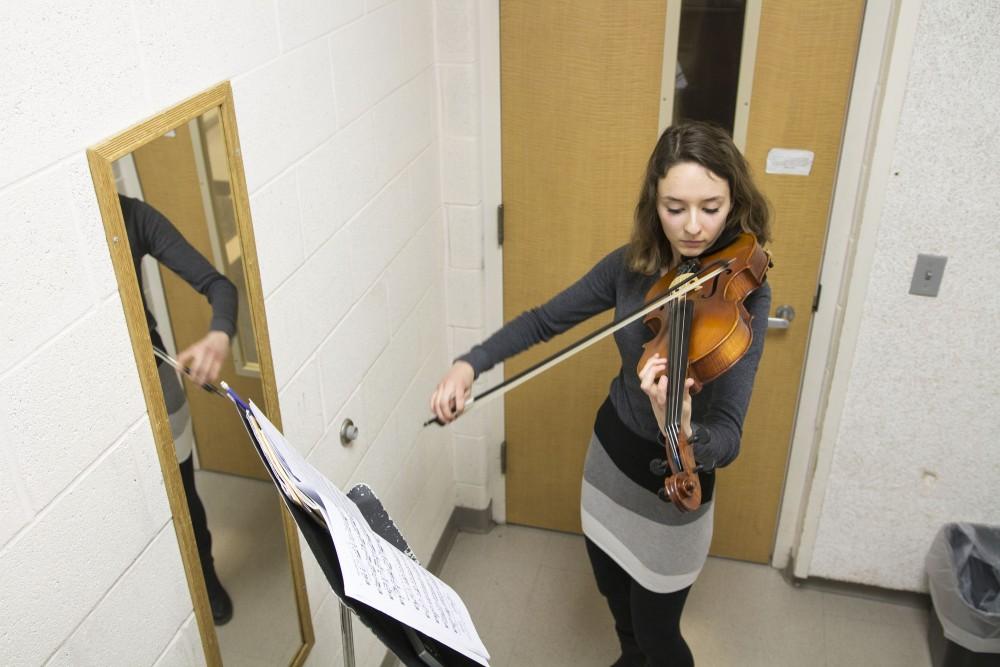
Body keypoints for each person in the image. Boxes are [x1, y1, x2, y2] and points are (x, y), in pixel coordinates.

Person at [429, 121, 772, 666]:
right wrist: (471, 364)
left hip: (674, 485)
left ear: (735, 201)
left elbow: (728, 434)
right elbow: (545, 321)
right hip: (609, 463)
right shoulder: (631, 267)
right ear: (653, 201)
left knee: (660, 634)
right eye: (674, 207)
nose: (693, 228)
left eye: (711, 207)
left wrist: (685, 430)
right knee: (617, 602)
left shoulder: (743, 292)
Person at [119, 193, 237, 625]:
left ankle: (207, 577)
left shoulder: (132, 215)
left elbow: (220, 286)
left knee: (185, 494)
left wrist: (220, 333)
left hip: (156, 378)